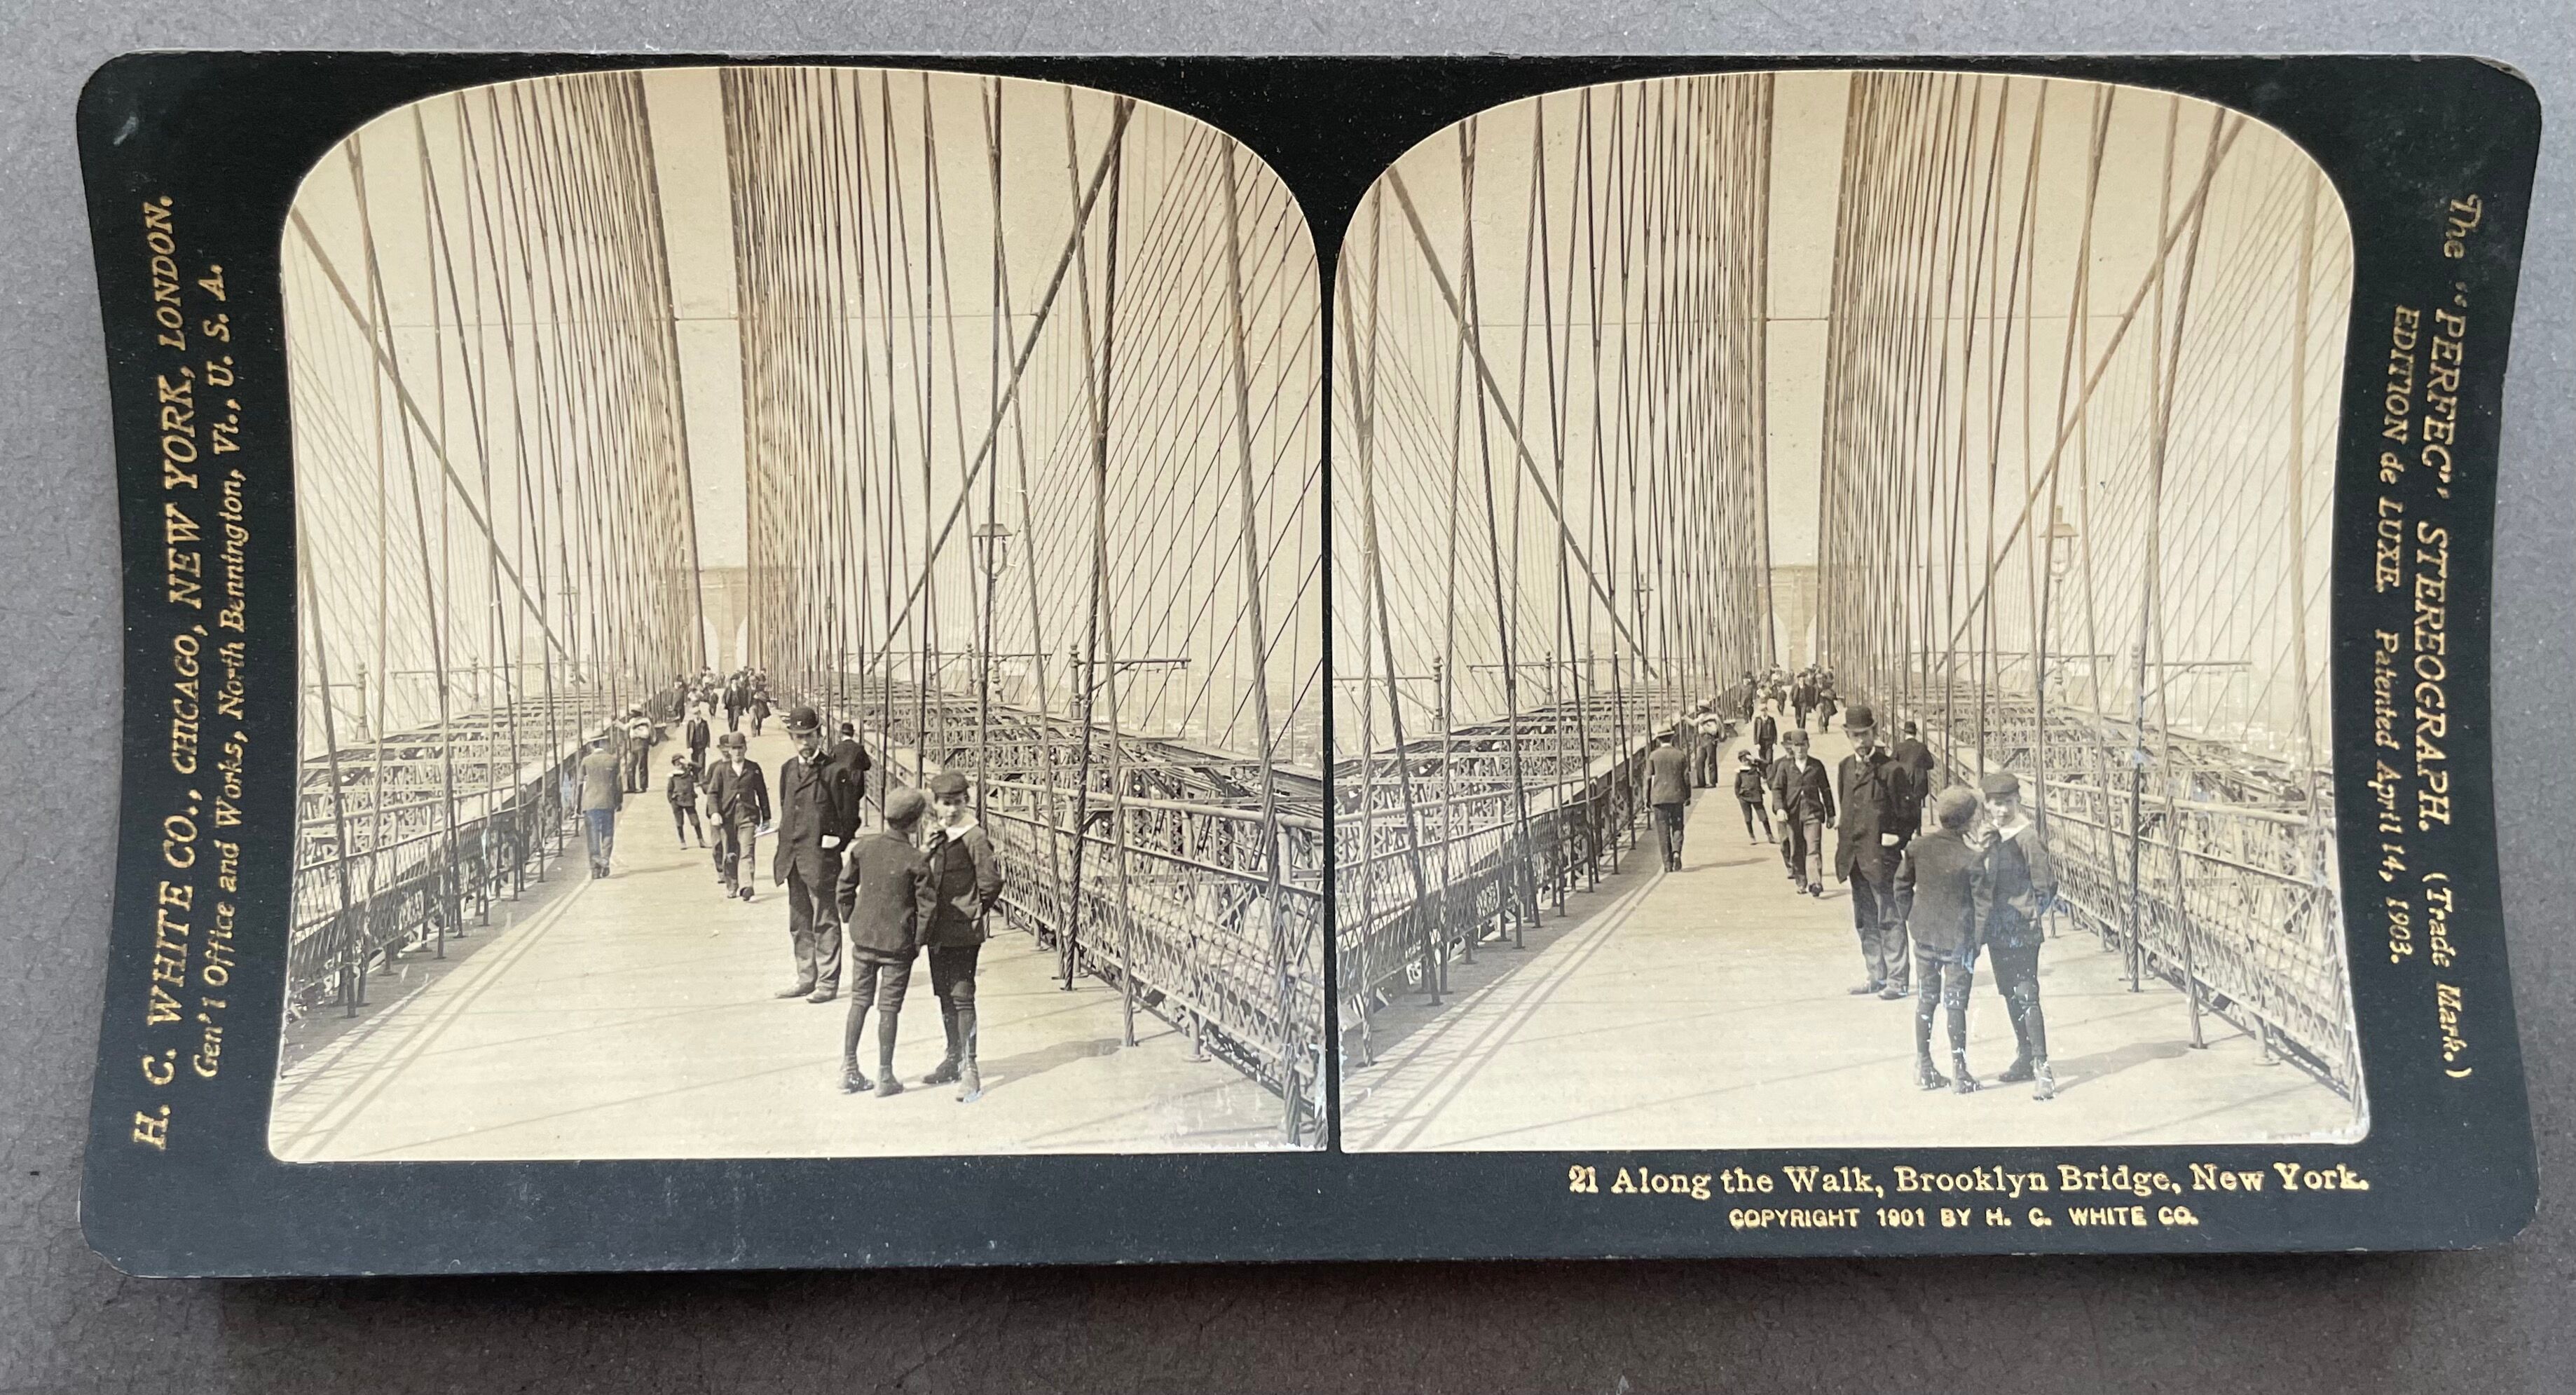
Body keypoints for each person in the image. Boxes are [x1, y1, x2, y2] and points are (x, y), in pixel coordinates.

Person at [1894, 786, 1992, 1093]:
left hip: (1925, 937)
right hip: (1958, 942)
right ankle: (1960, 1073)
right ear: (1970, 820)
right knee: (1955, 1006)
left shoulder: (1918, 847)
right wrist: (1976, 942)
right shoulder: (1971, 859)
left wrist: (1911, 918)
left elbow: (1901, 886)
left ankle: (1924, 1066)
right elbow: (1983, 906)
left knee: (1926, 1000)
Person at [836, 787, 929, 1096]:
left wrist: (851, 917)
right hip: (897, 946)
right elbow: (927, 908)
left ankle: (849, 1068)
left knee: (859, 1002)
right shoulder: (916, 860)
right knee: (888, 1008)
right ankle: (885, 1076)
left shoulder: (864, 847)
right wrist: (917, 941)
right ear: (915, 823)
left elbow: (844, 886)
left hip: (864, 941)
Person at [918, 769, 1003, 1101]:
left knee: (963, 994)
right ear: (935, 804)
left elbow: (991, 882)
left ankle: (970, 1068)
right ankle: (952, 1057)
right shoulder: (935, 833)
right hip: (937, 928)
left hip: (963, 929)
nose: (951, 810)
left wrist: (973, 909)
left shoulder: (974, 836)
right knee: (943, 993)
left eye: (957, 803)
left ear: (967, 802)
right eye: (944, 803)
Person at [773, 703, 863, 1003]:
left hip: (821, 859)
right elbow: (786, 809)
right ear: (792, 739)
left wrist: (837, 841)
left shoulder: (836, 771)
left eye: (810, 736)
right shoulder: (787, 770)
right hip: (792, 858)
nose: (806, 742)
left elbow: (850, 817)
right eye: (800, 737)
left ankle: (827, 982)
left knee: (825, 920)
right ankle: (805, 977)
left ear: (820, 735)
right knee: (799, 922)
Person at [1980, 772, 2060, 1100]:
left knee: (2027, 993)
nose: (2001, 811)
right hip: (1997, 928)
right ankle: (2025, 1055)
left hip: (2021, 929)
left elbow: (2046, 885)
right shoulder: (1989, 836)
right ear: (1986, 805)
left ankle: (2043, 1066)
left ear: (2018, 802)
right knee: (2009, 992)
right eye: (1996, 804)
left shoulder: (2026, 837)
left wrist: (2030, 913)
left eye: (2008, 804)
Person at [1835, 703, 1916, 999]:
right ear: (1848, 736)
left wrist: (1897, 838)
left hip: (1881, 859)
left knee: (1889, 918)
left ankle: (1897, 980)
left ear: (1875, 732)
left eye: (1865, 734)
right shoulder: (1845, 767)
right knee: (1865, 919)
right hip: (1855, 858)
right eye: (1854, 735)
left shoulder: (1892, 770)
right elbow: (1847, 807)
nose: (1860, 741)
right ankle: (1876, 975)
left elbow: (1910, 814)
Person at [704, 730, 769, 903]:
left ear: (746, 748)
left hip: (747, 816)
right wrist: (715, 813)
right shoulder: (721, 769)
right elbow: (712, 793)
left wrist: (766, 817)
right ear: (729, 750)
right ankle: (732, 885)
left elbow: (762, 793)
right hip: (727, 816)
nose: (738, 752)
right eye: (734, 749)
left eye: (740, 748)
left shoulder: (753, 768)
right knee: (730, 853)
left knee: (747, 852)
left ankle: (747, 886)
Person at [1767, 726, 1834, 895]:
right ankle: (1801, 880)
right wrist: (1780, 808)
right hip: (1793, 813)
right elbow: (1777, 789)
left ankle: (1815, 882)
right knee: (1796, 849)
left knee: (1813, 847)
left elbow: (1825, 790)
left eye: (1803, 745)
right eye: (1796, 745)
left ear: (1808, 745)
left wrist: (1831, 814)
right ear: (1791, 747)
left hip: (1812, 813)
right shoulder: (1785, 767)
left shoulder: (1816, 766)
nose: (1800, 749)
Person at [1645, 730, 1693, 873]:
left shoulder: (1653, 756)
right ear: (1672, 738)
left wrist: (1646, 799)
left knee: (1663, 830)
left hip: (1659, 798)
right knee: (1678, 826)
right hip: (1677, 796)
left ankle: (1667, 864)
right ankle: (1677, 852)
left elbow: (1648, 779)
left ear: (1659, 740)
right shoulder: (1680, 755)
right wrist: (1688, 795)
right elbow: (1686, 777)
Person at [575, 732, 622, 878]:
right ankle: (606, 860)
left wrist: (577, 805)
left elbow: (579, 784)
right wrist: (619, 801)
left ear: (592, 745)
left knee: (593, 836)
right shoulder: (612, 760)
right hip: (607, 802)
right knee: (608, 833)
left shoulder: (586, 761)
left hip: (590, 803)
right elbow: (618, 784)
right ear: (602, 744)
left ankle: (595, 870)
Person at [1891, 720, 1937, 833]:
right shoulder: (1922, 747)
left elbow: (1891, 764)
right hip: (1919, 782)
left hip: (1903, 781)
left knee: (1904, 805)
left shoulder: (1899, 747)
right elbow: (1931, 764)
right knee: (1917, 805)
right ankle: (1918, 829)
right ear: (1916, 733)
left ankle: (1906, 829)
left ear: (1904, 733)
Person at [831, 720, 875, 824]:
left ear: (841, 734)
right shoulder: (859, 748)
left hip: (840, 780)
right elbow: (867, 765)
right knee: (854, 805)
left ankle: (843, 826)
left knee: (841, 804)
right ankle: (852, 828)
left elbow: (830, 764)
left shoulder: (836, 748)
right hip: (856, 781)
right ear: (853, 733)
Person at [1732, 749, 1774, 844]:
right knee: (1748, 818)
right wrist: (1739, 796)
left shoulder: (1756, 768)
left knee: (1763, 816)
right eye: (1743, 759)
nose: (1746, 761)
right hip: (1744, 796)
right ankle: (1752, 836)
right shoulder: (1740, 772)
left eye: (1747, 759)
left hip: (1756, 795)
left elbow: (1766, 764)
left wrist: (1754, 759)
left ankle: (1770, 835)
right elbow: (1737, 786)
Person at [666, 753, 706, 848]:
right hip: (677, 801)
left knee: (696, 822)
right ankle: (682, 841)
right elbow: (669, 790)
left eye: (681, 763)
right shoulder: (673, 776)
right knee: (679, 823)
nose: (679, 765)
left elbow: (700, 767)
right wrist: (671, 801)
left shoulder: (689, 773)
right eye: (677, 763)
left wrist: (688, 763)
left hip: (689, 800)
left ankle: (701, 841)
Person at [620, 703, 655, 793]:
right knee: (631, 766)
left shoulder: (643, 721)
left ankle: (642, 786)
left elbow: (646, 734)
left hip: (641, 744)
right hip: (634, 745)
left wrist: (635, 733)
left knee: (641, 765)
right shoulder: (635, 721)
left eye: (632, 713)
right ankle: (632, 786)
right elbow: (625, 728)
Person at [685, 702, 713, 777]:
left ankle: (702, 778)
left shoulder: (704, 723)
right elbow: (688, 736)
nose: (696, 716)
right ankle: (695, 777)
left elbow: (708, 735)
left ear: (700, 714)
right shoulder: (690, 724)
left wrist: (708, 746)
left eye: (697, 714)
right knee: (694, 762)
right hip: (694, 746)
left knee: (701, 763)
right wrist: (689, 747)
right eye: (694, 714)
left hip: (702, 747)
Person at [1750, 702, 1779, 770]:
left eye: (1765, 710)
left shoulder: (1771, 720)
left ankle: (1770, 774)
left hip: (1769, 742)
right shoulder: (1758, 720)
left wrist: (1775, 743)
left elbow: (1775, 732)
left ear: (1767, 710)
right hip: (1761, 742)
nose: (1763, 712)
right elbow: (1755, 732)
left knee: (1769, 759)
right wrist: (1756, 743)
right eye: (1762, 711)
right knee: (1762, 759)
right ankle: (1764, 775)